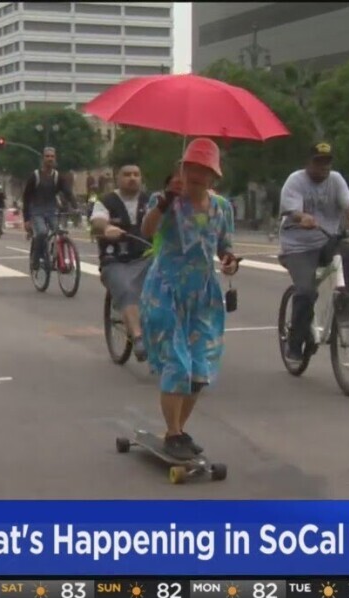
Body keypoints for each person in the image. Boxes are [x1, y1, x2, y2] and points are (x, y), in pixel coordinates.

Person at [140, 139, 239, 460]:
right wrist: (165, 202)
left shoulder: (222, 207)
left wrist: (229, 260)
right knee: (178, 363)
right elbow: (147, 230)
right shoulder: (166, 201)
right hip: (166, 292)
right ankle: (173, 433)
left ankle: (177, 431)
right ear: (180, 169)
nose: (196, 176)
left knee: (200, 367)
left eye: (204, 170)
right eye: (191, 168)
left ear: (214, 176)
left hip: (203, 295)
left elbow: (224, 245)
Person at [277, 142, 349, 368]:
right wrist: (302, 218)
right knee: (306, 292)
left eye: (327, 162)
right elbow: (292, 211)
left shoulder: (336, 180)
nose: (324, 167)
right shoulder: (295, 181)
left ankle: (347, 311)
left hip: (328, 241)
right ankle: (295, 344)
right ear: (308, 163)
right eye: (318, 162)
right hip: (298, 247)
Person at [90, 162, 152, 361]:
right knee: (125, 289)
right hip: (115, 261)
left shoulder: (151, 201)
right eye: (127, 174)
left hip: (146, 258)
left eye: (136, 174)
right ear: (117, 178)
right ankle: (138, 338)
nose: (132, 178)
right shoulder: (106, 201)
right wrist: (106, 228)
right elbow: (97, 221)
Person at [22, 147, 76, 271]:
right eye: (47, 156)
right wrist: (26, 219)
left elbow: (67, 192)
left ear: (55, 158)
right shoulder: (35, 176)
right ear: (43, 159)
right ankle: (36, 258)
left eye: (52, 156)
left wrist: (75, 207)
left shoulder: (57, 176)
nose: (50, 159)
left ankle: (61, 261)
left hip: (52, 211)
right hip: (36, 211)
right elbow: (26, 197)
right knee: (42, 232)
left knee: (60, 233)